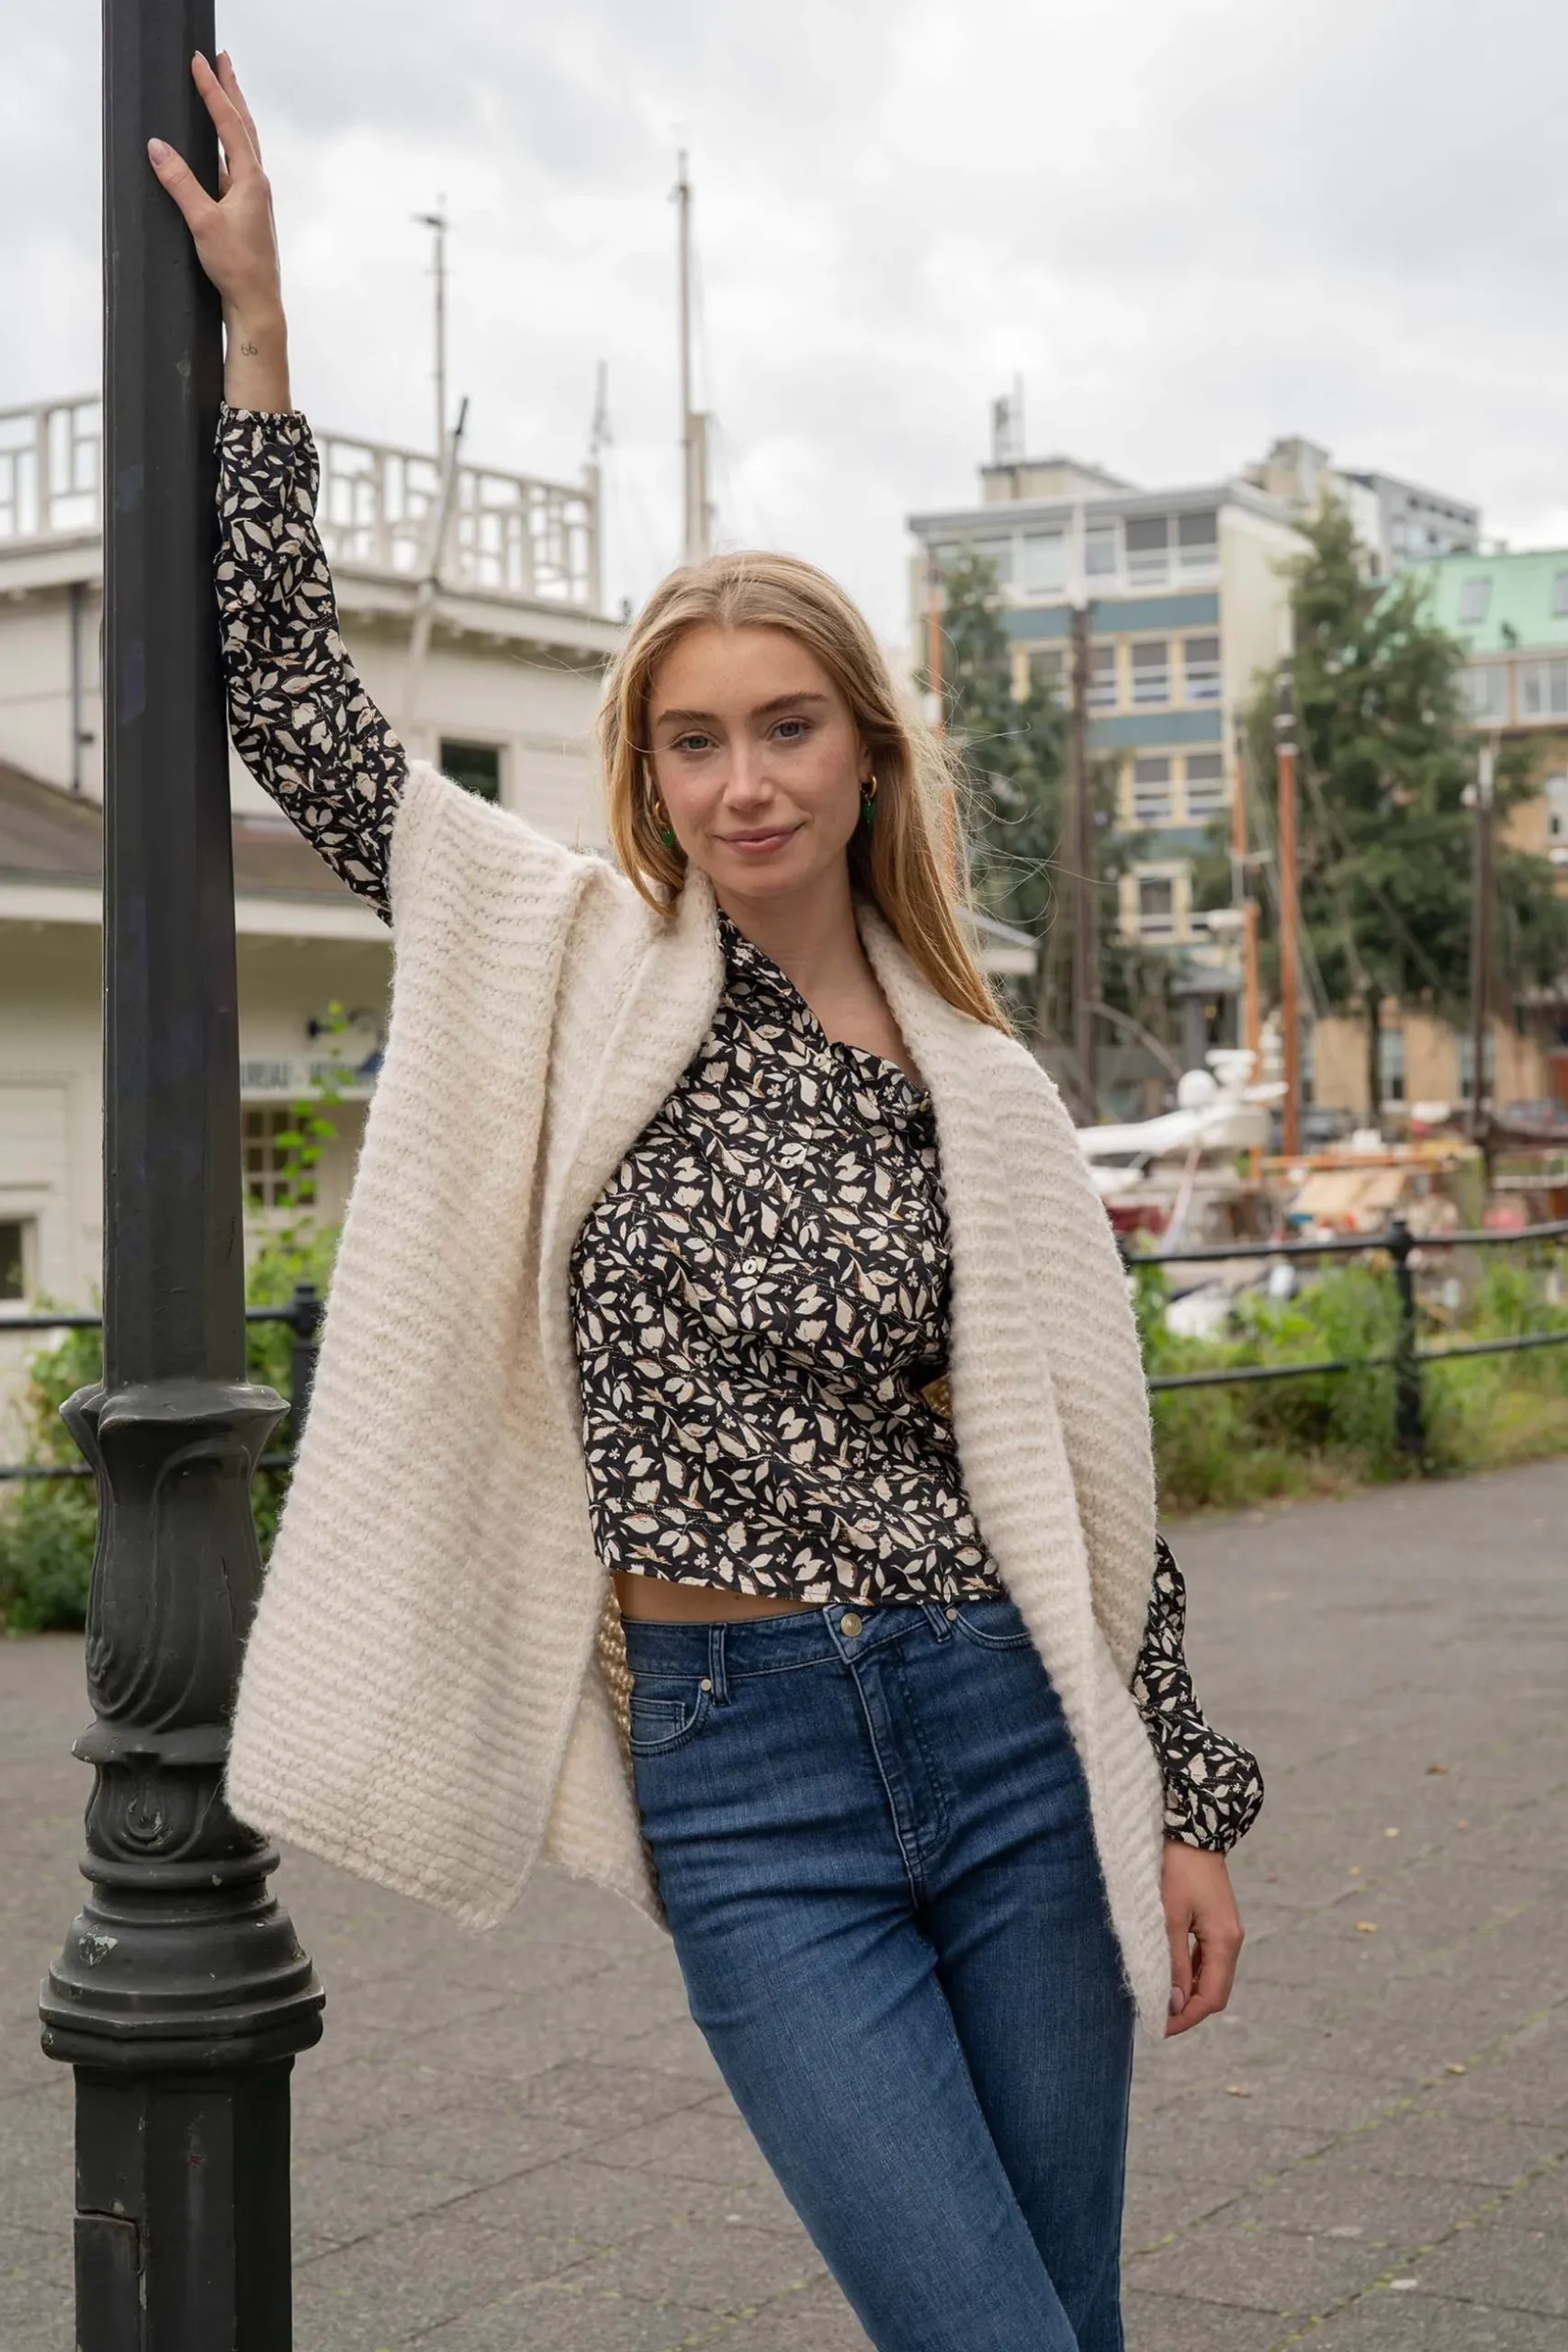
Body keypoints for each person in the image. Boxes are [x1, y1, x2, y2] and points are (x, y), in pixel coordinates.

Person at [152, 53, 1262, 2352]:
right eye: (691, 737)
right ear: (645, 769)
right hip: (740, 1766)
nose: (741, 779)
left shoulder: (982, 1086)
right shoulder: (566, 961)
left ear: (864, 748)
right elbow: (293, 704)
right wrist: (262, 343)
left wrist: (1184, 1797)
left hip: (1002, 1726)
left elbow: (1096, 1479)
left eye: (783, 726)